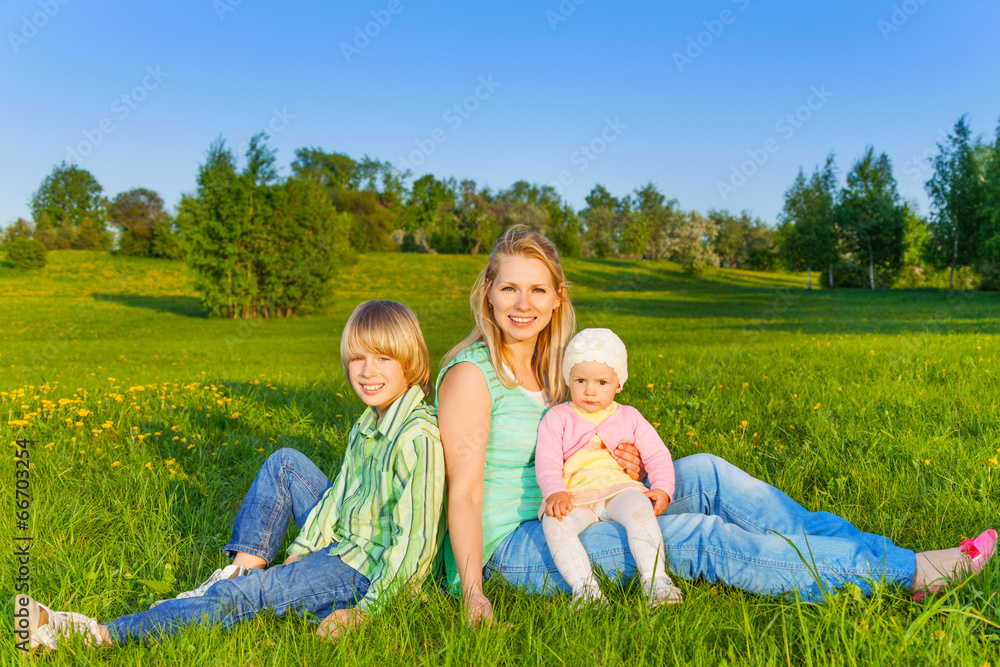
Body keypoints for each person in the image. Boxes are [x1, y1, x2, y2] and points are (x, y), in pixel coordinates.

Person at [435, 225, 996, 625]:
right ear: (488, 291)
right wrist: (472, 592)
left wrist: (625, 464)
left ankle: (874, 556)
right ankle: (912, 573)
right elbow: (462, 493)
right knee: (692, 538)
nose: (522, 302)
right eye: (509, 287)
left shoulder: (559, 369)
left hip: (593, 498)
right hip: (517, 545)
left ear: (558, 299)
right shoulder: (471, 377)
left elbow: (584, 439)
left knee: (706, 474)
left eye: (537, 288)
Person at [15, 300, 446, 656]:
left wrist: (366, 612)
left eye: (383, 358)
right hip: (348, 539)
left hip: (365, 568)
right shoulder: (369, 422)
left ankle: (92, 634)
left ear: (411, 361)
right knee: (285, 463)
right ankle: (238, 573)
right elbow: (340, 499)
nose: (368, 372)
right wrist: (301, 549)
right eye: (358, 358)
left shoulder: (417, 438)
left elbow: (417, 543)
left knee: (250, 599)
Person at [536, 327, 683, 608]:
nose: (590, 390)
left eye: (602, 382)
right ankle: (586, 591)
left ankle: (657, 582)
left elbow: (657, 454)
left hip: (618, 488)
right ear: (569, 379)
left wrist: (663, 486)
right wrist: (555, 491)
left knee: (640, 511)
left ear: (619, 384)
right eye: (581, 380)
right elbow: (547, 460)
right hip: (575, 494)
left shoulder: (629, 416)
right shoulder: (558, 417)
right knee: (554, 524)